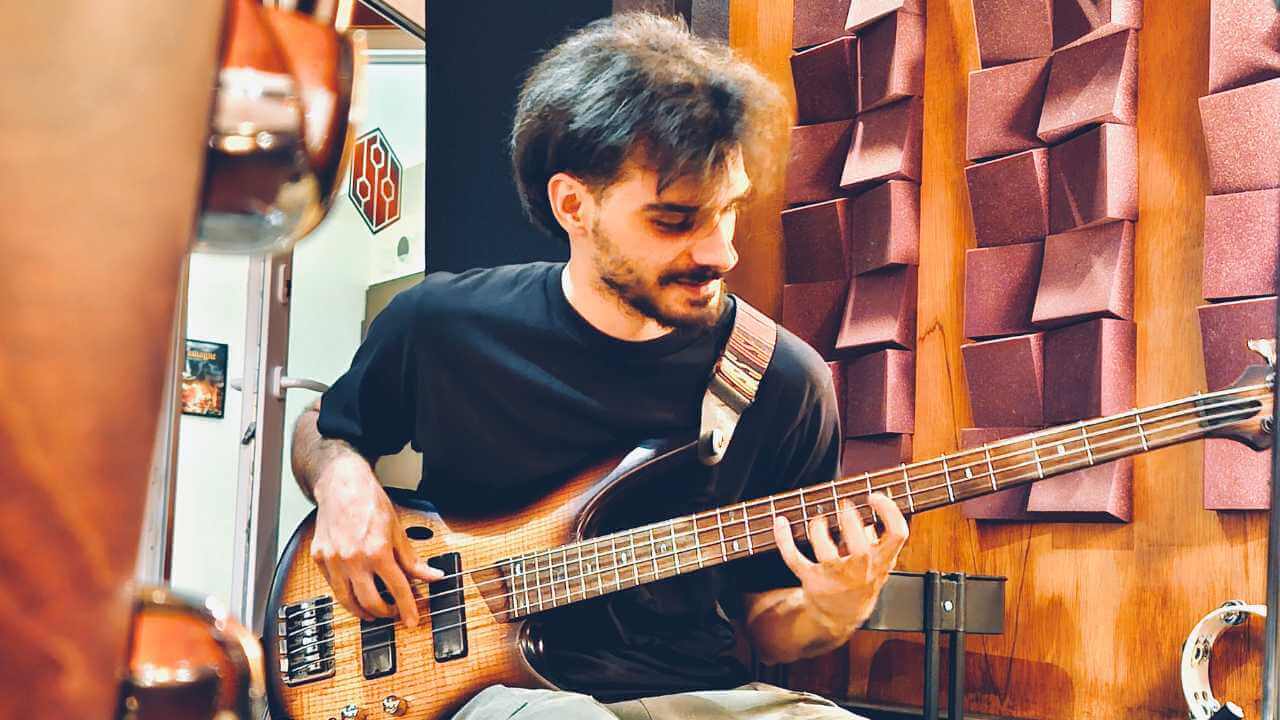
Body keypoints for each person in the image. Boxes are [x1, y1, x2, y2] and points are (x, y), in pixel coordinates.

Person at [290, 13, 908, 719]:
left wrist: (834, 608)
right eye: (674, 220)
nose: (720, 254)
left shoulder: (785, 381)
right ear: (574, 205)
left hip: (696, 693)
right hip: (493, 690)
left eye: (728, 211)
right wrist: (341, 481)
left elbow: (766, 619)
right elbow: (323, 426)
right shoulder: (440, 324)